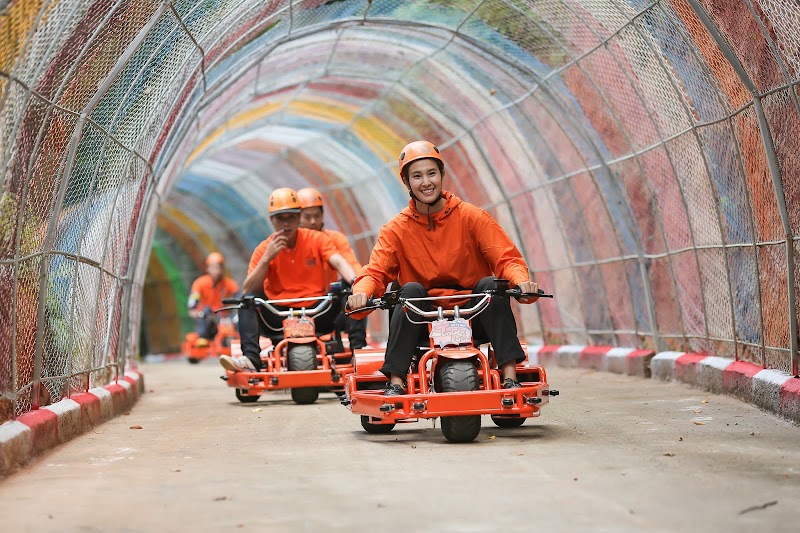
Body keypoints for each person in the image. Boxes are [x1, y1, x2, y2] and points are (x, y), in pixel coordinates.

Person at [347, 140, 539, 396]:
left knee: (491, 286)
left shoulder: (472, 217)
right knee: (407, 290)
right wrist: (361, 293)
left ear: (442, 175)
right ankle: (396, 381)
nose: (426, 182)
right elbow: (376, 272)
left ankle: (509, 377)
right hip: (422, 318)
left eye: (431, 173)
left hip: (473, 314)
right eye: (417, 176)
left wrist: (520, 281)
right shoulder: (395, 229)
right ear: (406, 182)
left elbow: (506, 258)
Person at [220, 188, 357, 372]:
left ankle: (358, 350)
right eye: (280, 218)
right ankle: (251, 360)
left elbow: (339, 261)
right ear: (272, 220)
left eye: (291, 217)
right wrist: (267, 258)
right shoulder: (263, 249)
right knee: (246, 299)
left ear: (298, 217)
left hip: (317, 311)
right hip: (277, 315)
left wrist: (356, 283)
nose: (286, 223)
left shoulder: (316, 239)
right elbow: (249, 289)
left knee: (350, 289)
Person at [297, 187, 368, 350]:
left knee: (352, 289)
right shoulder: (289, 242)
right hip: (296, 308)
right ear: (298, 217)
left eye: (317, 216)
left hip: (327, 306)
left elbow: (350, 264)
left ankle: (358, 348)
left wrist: (360, 285)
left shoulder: (335, 239)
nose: (313, 221)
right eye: (307, 217)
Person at [188, 252, 239, 348]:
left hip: (225, 315)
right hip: (209, 316)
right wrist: (193, 310)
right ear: (207, 268)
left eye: (219, 267)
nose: (217, 270)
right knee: (203, 313)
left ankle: (239, 339)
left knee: (239, 318)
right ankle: (203, 338)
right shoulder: (200, 283)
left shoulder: (229, 283)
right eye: (213, 267)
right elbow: (193, 300)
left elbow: (238, 295)